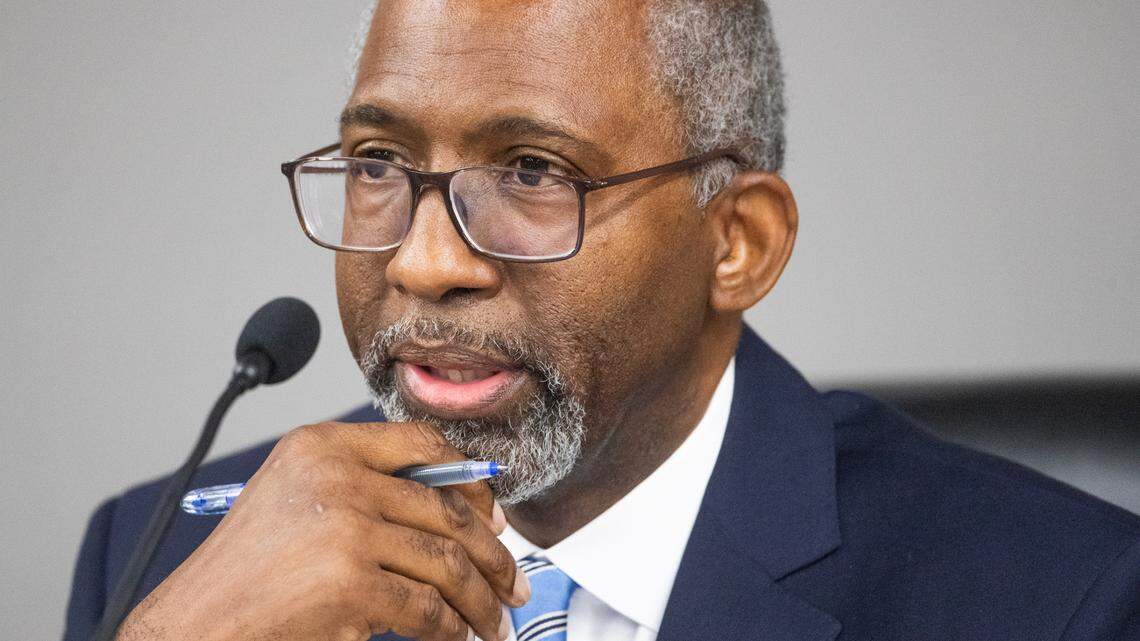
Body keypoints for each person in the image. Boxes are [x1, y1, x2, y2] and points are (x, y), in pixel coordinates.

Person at [64, 1, 1140, 640]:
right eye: (380, 162)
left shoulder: (1058, 598)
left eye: (535, 172)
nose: (423, 259)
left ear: (739, 242)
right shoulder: (165, 552)